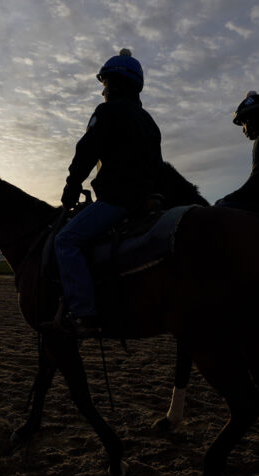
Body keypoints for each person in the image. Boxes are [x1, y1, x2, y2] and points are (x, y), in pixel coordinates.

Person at [54, 48, 163, 336]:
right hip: (147, 200)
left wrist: (71, 186)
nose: (103, 92)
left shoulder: (107, 112)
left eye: (105, 85)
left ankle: (84, 314)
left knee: (66, 240)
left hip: (117, 200)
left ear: (114, 84)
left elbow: (86, 152)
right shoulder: (149, 121)